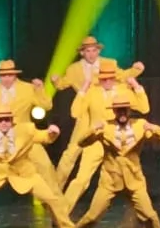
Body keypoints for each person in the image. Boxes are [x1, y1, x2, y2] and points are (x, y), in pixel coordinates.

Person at [53, 98, 160, 228]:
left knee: (149, 215)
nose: (122, 112)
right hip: (109, 180)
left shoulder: (139, 125)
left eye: (125, 109)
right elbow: (82, 142)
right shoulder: (106, 127)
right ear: (114, 111)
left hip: (134, 180)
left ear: (129, 110)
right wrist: (92, 129)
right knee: (92, 216)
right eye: (119, 109)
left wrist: (154, 128)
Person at [49, 36, 142, 187]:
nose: (91, 54)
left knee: (118, 148)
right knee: (72, 151)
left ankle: (125, 184)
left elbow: (123, 76)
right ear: (82, 53)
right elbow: (62, 84)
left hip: (105, 110)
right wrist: (55, 80)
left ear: (98, 51)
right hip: (86, 113)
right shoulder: (74, 69)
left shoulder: (109, 63)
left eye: (94, 50)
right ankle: (55, 188)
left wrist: (136, 70)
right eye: (88, 51)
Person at [61, 60, 151, 210]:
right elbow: (75, 112)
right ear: (100, 79)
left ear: (115, 78)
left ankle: (144, 212)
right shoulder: (92, 92)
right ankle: (62, 213)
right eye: (104, 79)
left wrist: (136, 86)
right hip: (96, 141)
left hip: (118, 143)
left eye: (110, 78)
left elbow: (144, 108)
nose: (107, 81)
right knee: (81, 179)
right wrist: (83, 90)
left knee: (133, 178)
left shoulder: (123, 90)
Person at [0, 60, 55, 185]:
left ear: (15, 75)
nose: (6, 79)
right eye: (3, 75)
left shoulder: (28, 88)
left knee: (44, 166)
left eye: (10, 75)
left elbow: (46, 106)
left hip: (24, 135)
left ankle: (55, 196)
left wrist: (40, 89)